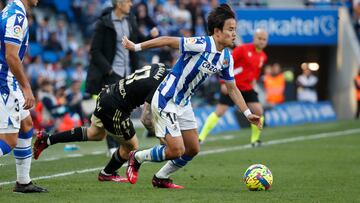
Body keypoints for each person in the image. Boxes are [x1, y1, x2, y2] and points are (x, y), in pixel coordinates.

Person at [122, 4, 262, 189]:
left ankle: (161, 178)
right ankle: (137, 157)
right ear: (217, 32)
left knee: (193, 149)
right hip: (166, 99)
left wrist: (247, 113)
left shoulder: (226, 58)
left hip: (184, 103)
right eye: (230, 29)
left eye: (235, 29)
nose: (234, 33)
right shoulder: (202, 44)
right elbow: (167, 40)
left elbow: (233, 89)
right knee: (175, 150)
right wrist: (136, 46)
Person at [33, 63, 170, 182]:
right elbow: (145, 118)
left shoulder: (160, 66)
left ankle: (48, 139)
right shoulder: (163, 83)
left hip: (108, 92)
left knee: (95, 134)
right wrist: (162, 137)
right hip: (116, 107)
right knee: (131, 145)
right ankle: (107, 174)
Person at [85, 0, 159, 155]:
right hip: (112, 73)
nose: (131, 4)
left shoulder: (131, 20)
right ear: (119, 3)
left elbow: (136, 42)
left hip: (128, 72)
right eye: (128, 1)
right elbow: (95, 50)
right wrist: (109, 70)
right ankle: (112, 147)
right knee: (112, 109)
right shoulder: (104, 24)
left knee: (122, 109)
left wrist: (149, 37)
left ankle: (118, 145)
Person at [0, 0, 47, 193]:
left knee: (26, 125)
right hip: (5, 81)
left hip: (7, 78)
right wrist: (26, 87)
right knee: (9, 140)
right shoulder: (16, 16)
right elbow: (11, 56)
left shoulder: (9, 11)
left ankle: (23, 182)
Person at [198, 29, 268, 147]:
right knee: (219, 112)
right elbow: (225, 62)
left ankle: (254, 140)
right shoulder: (242, 49)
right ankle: (200, 138)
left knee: (259, 111)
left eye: (264, 39)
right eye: (259, 38)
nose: (261, 41)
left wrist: (253, 83)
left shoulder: (263, 56)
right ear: (254, 38)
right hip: (232, 87)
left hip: (247, 88)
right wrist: (223, 82)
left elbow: (255, 72)